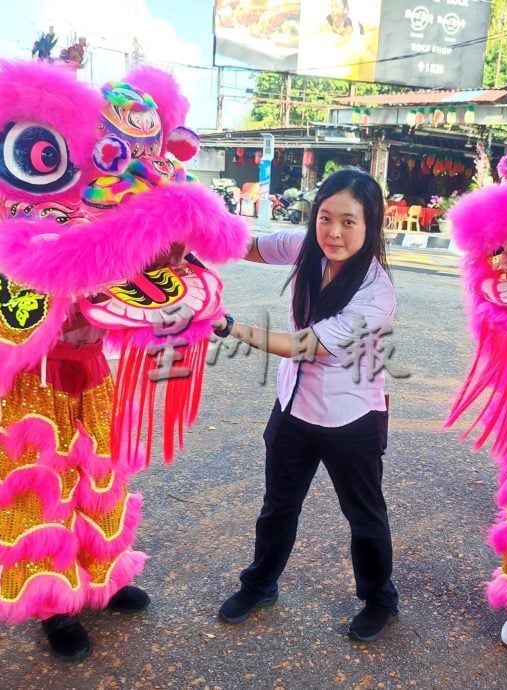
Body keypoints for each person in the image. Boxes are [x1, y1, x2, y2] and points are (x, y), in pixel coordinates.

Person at [213, 167, 399, 643]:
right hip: (293, 408)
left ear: (371, 224)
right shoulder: (306, 246)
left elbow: (304, 346)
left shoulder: (376, 293)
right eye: (325, 218)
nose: (333, 232)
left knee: (364, 515)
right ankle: (259, 584)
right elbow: (249, 247)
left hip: (351, 415)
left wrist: (227, 325)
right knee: (277, 507)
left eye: (349, 222)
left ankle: (380, 598)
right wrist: (187, 244)